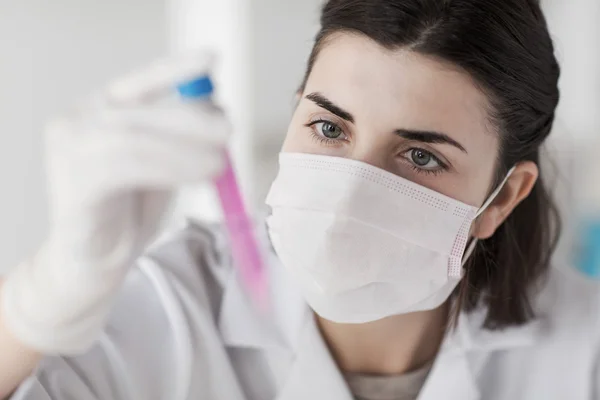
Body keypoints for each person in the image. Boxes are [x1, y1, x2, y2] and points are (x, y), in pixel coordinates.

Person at [1, 0, 599, 399]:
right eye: (330, 128)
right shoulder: (170, 309)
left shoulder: (584, 350)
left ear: (501, 199)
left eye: (421, 156)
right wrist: (33, 307)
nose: (347, 198)